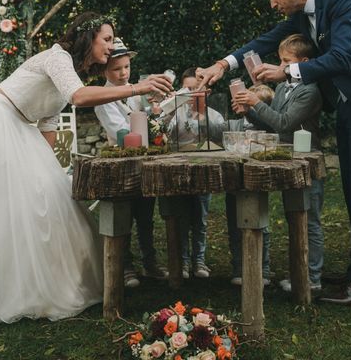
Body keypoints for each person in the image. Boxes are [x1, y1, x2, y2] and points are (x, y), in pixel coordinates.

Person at [0, 12, 173, 335]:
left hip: (19, 130)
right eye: (107, 39)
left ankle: (34, 286)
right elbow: (78, 97)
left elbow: (48, 126)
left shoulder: (73, 70)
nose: (111, 46)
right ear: (89, 37)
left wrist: (45, 172)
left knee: (52, 204)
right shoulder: (58, 57)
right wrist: (136, 88)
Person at [197, 0, 351, 305]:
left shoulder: (345, 1)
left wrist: (286, 73)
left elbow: (344, 57)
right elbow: (265, 40)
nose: (272, 4)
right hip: (349, 104)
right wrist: (223, 65)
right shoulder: (301, 15)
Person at [232, 34, 324, 294]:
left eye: (286, 61)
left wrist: (257, 103)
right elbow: (272, 124)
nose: (279, 66)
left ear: (304, 62)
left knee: (309, 219)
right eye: (280, 60)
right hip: (286, 161)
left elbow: (285, 122)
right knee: (294, 214)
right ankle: (298, 271)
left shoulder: (310, 91)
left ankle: (312, 277)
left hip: (306, 162)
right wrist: (248, 110)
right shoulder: (283, 87)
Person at [94, 38, 168, 288]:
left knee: (146, 216)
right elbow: (120, 131)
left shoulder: (137, 92)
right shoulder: (103, 98)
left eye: (126, 67)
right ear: (104, 71)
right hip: (121, 163)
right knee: (122, 215)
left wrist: (155, 109)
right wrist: (150, 122)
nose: (123, 73)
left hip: (143, 163)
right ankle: (125, 266)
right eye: (116, 69)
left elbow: (148, 116)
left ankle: (150, 262)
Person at [166, 68, 225, 279]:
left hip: (203, 172)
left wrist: (201, 113)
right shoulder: (176, 113)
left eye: (195, 90)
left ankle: (199, 260)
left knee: (200, 218)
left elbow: (219, 133)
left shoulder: (214, 114)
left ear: (206, 91)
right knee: (181, 217)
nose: (191, 94)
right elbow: (167, 133)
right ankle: (182, 261)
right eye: (187, 89)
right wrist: (171, 110)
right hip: (178, 172)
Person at [225, 83, 275, 287]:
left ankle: (263, 268)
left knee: (260, 224)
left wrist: (252, 110)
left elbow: (266, 125)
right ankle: (239, 267)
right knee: (234, 225)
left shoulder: (267, 128)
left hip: (257, 182)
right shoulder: (235, 125)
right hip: (234, 181)